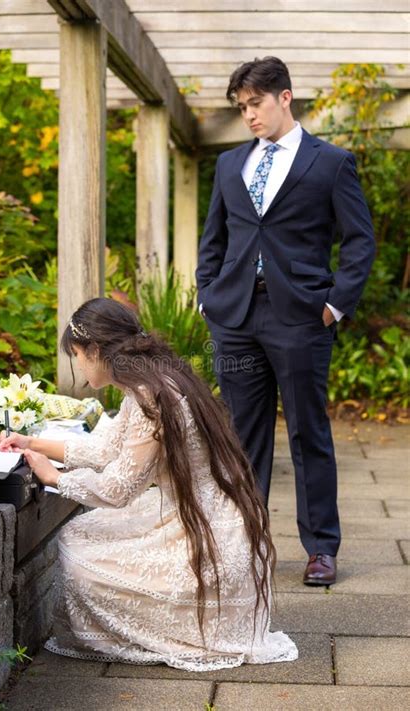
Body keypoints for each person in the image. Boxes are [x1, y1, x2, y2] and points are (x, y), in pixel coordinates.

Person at [0, 298, 297, 671]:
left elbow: (118, 489)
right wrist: (32, 443)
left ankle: (168, 630)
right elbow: (107, 449)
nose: (78, 365)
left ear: (95, 349)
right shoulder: (154, 381)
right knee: (83, 532)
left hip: (210, 539)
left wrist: (54, 477)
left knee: (78, 554)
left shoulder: (150, 397)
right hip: (208, 520)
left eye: (77, 355)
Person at [196, 57, 375, 587]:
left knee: (307, 432)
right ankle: (245, 543)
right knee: (241, 437)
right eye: (241, 107)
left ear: (284, 98)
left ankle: (320, 548)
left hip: (300, 316)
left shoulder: (331, 163)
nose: (248, 115)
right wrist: (209, 296)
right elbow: (215, 239)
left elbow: (360, 241)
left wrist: (334, 304)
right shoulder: (231, 166)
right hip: (236, 316)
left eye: (255, 104)